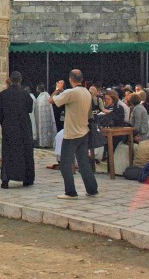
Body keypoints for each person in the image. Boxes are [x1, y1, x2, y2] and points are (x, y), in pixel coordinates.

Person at [50, 69, 98, 200]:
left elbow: (51, 100)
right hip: (84, 131)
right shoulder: (87, 93)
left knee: (65, 163)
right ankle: (92, 189)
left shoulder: (70, 92)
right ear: (82, 79)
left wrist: (58, 88)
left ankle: (70, 192)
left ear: (70, 79)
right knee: (83, 163)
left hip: (71, 133)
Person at [0, 71, 34, 188]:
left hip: (9, 128)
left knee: (8, 153)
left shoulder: (3, 95)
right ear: (20, 80)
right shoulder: (26, 95)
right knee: (25, 153)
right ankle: (27, 179)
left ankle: (6, 179)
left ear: (10, 80)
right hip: (23, 128)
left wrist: (4, 122)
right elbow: (29, 109)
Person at [34, 84, 57, 149]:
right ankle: (47, 143)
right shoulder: (47, 96)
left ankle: (42, 143)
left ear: (39, 89)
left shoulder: (41, 97)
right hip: (47, 119)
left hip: (41, 120)